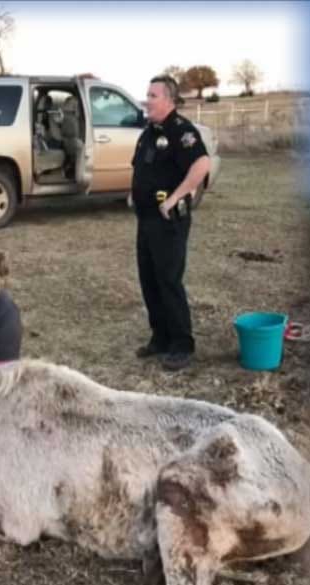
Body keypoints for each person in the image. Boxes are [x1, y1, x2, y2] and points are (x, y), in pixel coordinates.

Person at [130, 74, 212, 371]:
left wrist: (175, 197)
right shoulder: (149, 132)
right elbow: (141, 169)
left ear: (168, 100)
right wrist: (133, 194)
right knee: (149, 279)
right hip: (146, 219)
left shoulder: (181, 131)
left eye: (152, 96)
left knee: (168, 280)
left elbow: (202, 164)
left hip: (169, 221)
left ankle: (182, 343)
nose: (146, 101)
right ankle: (160, 337)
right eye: (147, 95)